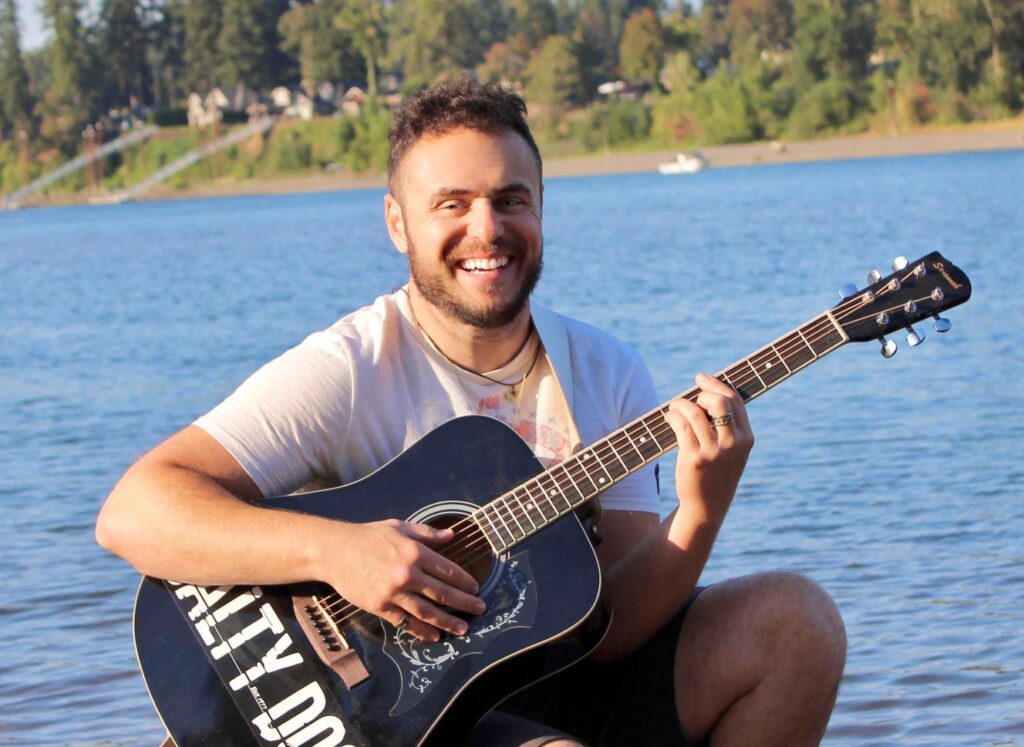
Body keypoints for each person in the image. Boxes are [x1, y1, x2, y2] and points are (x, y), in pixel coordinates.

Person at [96, 80, 845, 746]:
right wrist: (337, 553)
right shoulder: (348, 369)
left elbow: (613, 627)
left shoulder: (604, 367)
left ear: (541, 208)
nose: (486, 230)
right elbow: (133, 512)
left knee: (795, 625)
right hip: (394, 709)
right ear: (398, 223)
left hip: (547, 671)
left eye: (510, 199)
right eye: (451, 204)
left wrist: (701, 507)